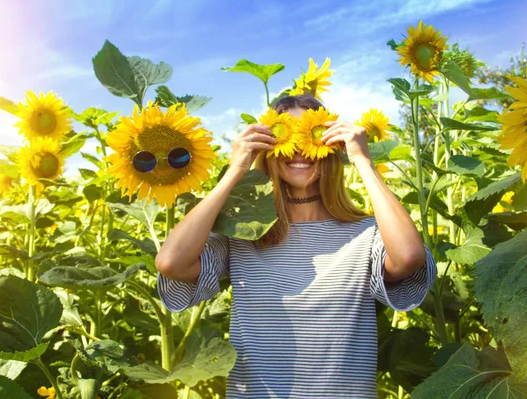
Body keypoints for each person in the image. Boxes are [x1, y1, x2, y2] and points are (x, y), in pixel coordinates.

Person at [155, 94, 437, 398]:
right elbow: (171, 262)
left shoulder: (365, 234)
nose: (299, 148)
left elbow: (408, 256)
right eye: (284, 135)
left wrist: (362, 161)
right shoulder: (243, 235)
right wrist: (235, 171)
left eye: (311, 134)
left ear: (332, 146)